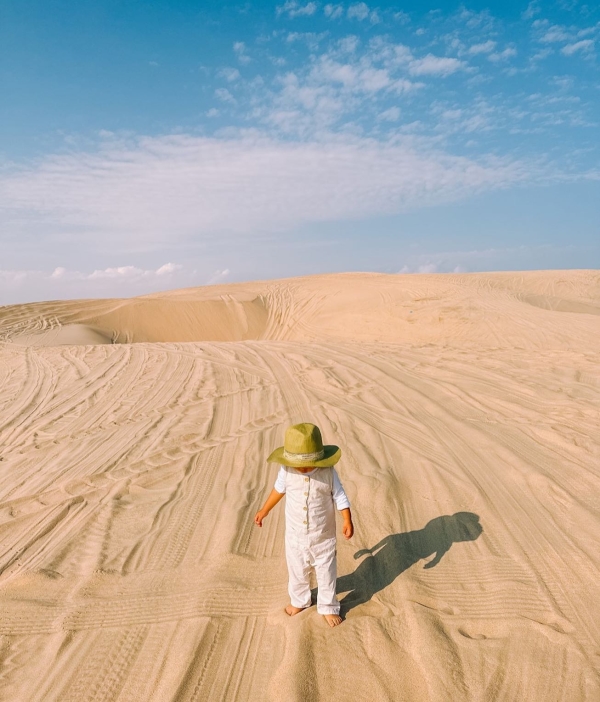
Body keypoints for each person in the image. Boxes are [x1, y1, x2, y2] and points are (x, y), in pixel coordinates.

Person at [254, 422, 353, 627]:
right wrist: (264, 510)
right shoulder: (287, 470)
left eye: (309, 463)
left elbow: (340, 496)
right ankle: (300, 600)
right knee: (297, 570)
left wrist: (347, 519)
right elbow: (278, 491)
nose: (303, 468)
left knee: (326, 572)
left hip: (323, 537)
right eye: (298, 463)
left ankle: (327, 606)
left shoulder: (328, 472)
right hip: (294, 536)